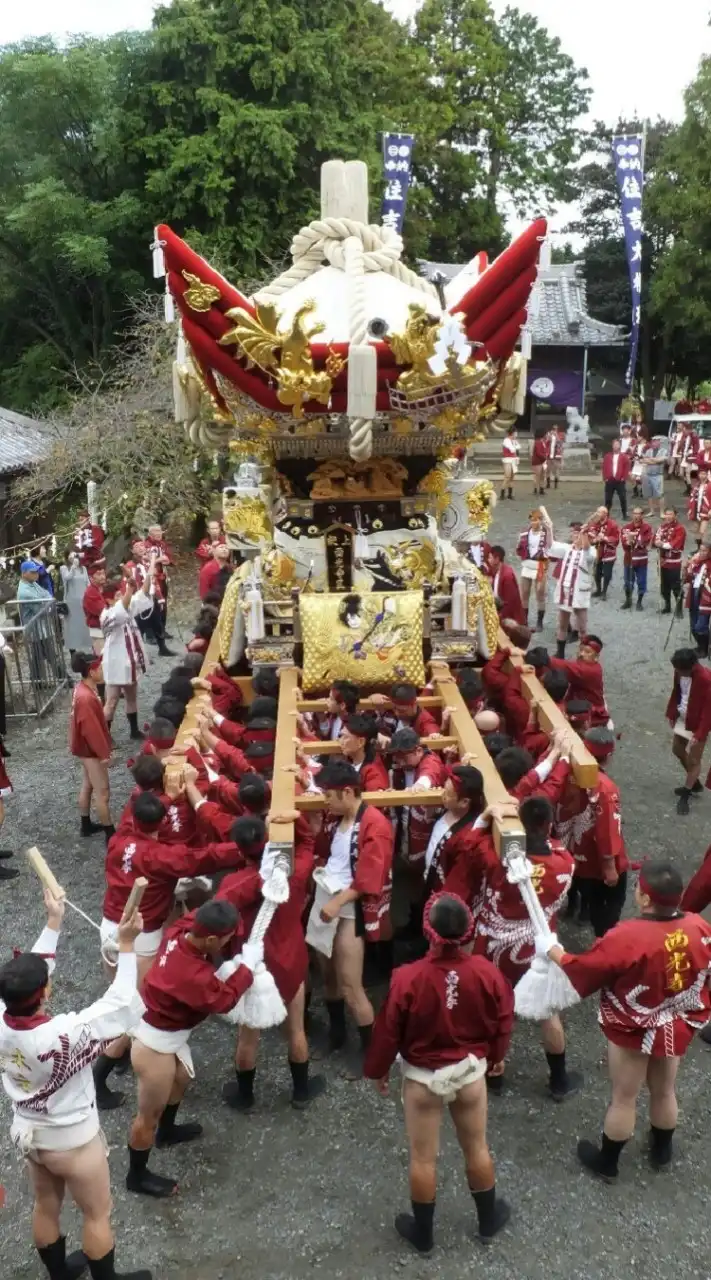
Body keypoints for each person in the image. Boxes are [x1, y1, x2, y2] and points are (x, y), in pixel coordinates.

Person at [0, 888, 149, 1280]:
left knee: (45, 1204)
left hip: (29, 1130)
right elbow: (120, 1003)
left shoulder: (1, 1016)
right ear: (44, 992)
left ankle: (59, 1274)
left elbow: (32, 970)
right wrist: (129, 946)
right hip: (72, 1138)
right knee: (97, 1213)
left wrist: (53, 922)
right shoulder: (64, 1034)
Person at [541, 861, 711, 1182]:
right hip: (675, 1021)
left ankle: (608, 1162)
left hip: (633, 1027)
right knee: (664, 1090)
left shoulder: (627, 935)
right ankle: (661, 1150)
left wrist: (554, 952)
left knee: (624, 1097)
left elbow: (586, 969)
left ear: (645, 898)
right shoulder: (699, 928)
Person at [363, 893, 514, 1252]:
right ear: (467, 931)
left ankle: (424, 1234)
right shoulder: (486, 972)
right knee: (477, 1147)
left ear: (428, 931)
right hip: (469, 1074)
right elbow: (503, 1020)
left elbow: (387, 1032)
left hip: (422, 1079)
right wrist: (496, 1056)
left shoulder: (406, 978)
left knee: (423, 1157)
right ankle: (487, 1219)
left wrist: (377, 1069)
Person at [446, 797, 580, 1100]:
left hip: (493, 945)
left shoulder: (495, 860)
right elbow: (554, 845)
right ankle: (558, 1079)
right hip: (539, 947)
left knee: (491, 1010)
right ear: (548, 826)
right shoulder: (565, 863)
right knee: (549, 1014)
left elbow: (466, 845)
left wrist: (485, 816)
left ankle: (494, 1074)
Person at [127, 899, 260, 1198]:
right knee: (147, 1116)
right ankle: (136, 1175)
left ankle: (168, 1131)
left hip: (167, 1033)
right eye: (226, 938)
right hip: (154, 1044)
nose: (229, 942)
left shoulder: (179, 931)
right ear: (212, 939)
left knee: (182, 1080)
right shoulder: (192, 973)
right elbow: (224, 1000)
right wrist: (247, 968)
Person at [217, 813, 326, 1112]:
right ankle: (301, 1091)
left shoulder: (231, 883)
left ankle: (245, 1096)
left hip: (252, 967)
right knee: (296, 1030)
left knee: (248, 1036)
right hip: (290, 961)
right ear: (265, 843)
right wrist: (296, 820)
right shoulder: (293, 874)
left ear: (239, 849)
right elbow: (307, 844)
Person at [307, 759, 394, 1060]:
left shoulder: (376, 825)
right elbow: (327, 851)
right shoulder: (337, 817)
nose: (325, 801)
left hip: (348, 905)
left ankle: (370, 1052)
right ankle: (337, 1033)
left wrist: (338, 901)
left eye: (328, 795)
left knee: (350, 985)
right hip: (326, 894)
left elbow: (370, 878)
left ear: (347, 792)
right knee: (328, 975)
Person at [555, 727, 628, 937]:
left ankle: (575, 910)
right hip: (596, 860)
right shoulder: (605, 788)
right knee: (608, 905)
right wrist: (610, 866)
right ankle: (604, 942)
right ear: (609, 755)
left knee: (586, 890)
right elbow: (607, 829)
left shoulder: (565, 771)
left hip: (572, 849)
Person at [100, 576, 153, 740]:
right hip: (115, 663)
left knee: (131, 696)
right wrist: (129, 590)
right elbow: (121, 609)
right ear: (108, 599)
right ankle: (104, 737)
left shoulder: (127, 608)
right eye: (116, 595)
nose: (120, 597)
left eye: (120, 594)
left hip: (130, 662)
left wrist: (149, 571)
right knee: (112, 701)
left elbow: (142, 594)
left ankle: (134, 730)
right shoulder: (107, 614)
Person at [69, 652, 114, 843]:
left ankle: (86, 824)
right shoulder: (86, 698)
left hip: (84, 748)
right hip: (90, 750)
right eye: (100, 668)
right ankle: (110, 834)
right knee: (102, 791)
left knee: (88, 785)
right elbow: (91, 731)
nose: (103, 671)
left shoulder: (83, 689)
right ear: (91, 671)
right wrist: (104, 754)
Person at [665, 647, 711, 815]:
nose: (676, 672)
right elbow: (676, 692)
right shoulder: (679, 672)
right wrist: (671, 712)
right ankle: (694, 782)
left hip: (698, 722)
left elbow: (708, 710)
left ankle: (687, 791)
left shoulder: (706, 679)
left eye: (679, 669)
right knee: (677, 749)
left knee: (694, 759)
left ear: (691, 667)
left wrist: (699, 734)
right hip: (684, 716)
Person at [531, 634, 611, 728]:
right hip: (579, 704)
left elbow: (565, 667)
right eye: (580, 650)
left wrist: (546, 660)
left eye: (587, 652)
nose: (581, 654)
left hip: (590, 714)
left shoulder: (589, 671)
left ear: (596, 657)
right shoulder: (587, 664)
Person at [547, 525, 597, 656]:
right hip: (565, 590)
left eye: (578, 533)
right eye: (574, 533)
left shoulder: (592, 551)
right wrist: (549, 529)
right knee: (562, 625)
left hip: (580, 593)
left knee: (583, 629)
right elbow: (551, 545)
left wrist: (584, 534)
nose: (575, 536)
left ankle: (584, 656)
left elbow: (586, 550)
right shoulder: (567, 548)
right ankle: (560, 653)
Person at [515, 507, 552, 632]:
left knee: (540, 593)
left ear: (541, 521)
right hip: (527, 563)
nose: (533, 522)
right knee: (524, 592)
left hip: (541, 564)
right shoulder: (525, 532)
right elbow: (519, 547)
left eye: (536, 520)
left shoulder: (546, 533)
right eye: (532, 520)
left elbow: (550, 546)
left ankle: (539, 622)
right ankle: (524, 620)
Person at [654, 507, 686, 616]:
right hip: (662, 561)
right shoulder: (662, 527)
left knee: (676, 586)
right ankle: (667, 606)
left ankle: (679, 609)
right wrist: (657, 542)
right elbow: (656, 538)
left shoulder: (680, 528)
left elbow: (674, 544)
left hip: (674, 562)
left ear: (675, 515)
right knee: (664, 586)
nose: (668, 516)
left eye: (670, 514)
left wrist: (662, 544)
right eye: (666, 514)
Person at [620, 507, 653, 611]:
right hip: (629, 558)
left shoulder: (647, 527)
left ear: (642, 515)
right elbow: (624, 542)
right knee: (628, 580)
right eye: (634, 513)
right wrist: (628, 541)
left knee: (641, 581)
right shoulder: (626, 527)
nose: (636, 516)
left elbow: (646, 541)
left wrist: (635, 539)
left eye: (639, 514)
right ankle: (628, 600)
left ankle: (639, 601)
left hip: (641, 559)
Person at [60, 550, 91, 654]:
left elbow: (88, 583)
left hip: (83, 600)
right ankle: (72, 651)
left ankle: (87, 648)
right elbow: (66, 578)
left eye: (74, 554)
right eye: (70, 554)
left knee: (84, 624)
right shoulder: (64, 568)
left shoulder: (83, 569)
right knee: (72, 626)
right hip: (71, 601)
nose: (73, 556)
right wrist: (73, 567)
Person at [587, 506, 620, 602]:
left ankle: (604, 591)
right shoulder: (594, 524)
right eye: (597, 512)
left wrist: (605, 538)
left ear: (605, 514)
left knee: (607, 573)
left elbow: (616, 539)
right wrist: (595, 540)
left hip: (608, 552)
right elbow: (590, 536)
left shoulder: (612, 525)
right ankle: (598, 589)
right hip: (597, 552)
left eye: (599, 512)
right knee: (596, 573)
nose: (597, 514)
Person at [486, 545, 524, 625]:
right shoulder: (496, 570)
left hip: (510, 620)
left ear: (496, 559)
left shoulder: (507, 576)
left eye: (490, 558)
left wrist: (498, 617)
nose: (488, 560)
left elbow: (509, 603)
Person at [684, 546, 711, 656]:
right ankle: (702, 646)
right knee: (694, 625)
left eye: (705, 551)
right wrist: (686, 567)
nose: (702, 553)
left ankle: (705, 648)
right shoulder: (697, 562)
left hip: (705, 598)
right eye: (700, 550)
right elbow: (687, 578)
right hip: (694, 595)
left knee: (701, 626)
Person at [601, 439, 631, 519]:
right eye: (614, 444)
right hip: (610, 479)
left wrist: (624, 478)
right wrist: (605, 478)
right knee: (608, 499)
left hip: (619, 480)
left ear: (620, 446)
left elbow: (627, 468)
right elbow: (604, 467)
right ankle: (606, 515)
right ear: (612, 446)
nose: (615, 446)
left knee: (623, 497)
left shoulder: (623, 456)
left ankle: (625, 514)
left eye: (617, 444)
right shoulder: (607, 456)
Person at [639, 434, 665, 517]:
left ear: (659, 443)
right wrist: (654, 461)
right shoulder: (648, 451)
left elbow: (661, 460)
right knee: (649, 494)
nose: (654, 443)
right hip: (648, 474)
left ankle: (662, 512)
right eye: (653, 441)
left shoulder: (663, 450)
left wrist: (650, 460)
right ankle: (651, 511)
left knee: (660, 494)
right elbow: (643, 460)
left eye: (656, 441)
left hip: (658, 474)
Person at [687, 466, 711, 548]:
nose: (702, 476)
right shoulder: (696, 485)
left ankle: (703, 550)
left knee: (702, 531)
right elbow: (691, 498)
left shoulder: (710, 485)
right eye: (701, 474)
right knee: (696, 531)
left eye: (704, 474)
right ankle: (698, 549)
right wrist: (689, 510)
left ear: (707, 475)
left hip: (705, 511)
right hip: (696, 509)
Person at [500, 426, 519, 500]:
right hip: (507, 459)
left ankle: (510, 494)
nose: (517, 434)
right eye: (516, 432)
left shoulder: (514, 440)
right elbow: (512, 449)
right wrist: (515, 446)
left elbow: (518, 448)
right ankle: (502, 494)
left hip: (513, 459)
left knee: (512, 478)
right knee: (507, 477)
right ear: (513, 433)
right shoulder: (506, 440)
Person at [545, 425, 564, 489]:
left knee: (556, 471)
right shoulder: (548, 435)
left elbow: (561, 445)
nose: (554, 430)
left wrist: (557, 437)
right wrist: (548, 438)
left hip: (556, 457)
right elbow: (545, 443)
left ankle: (556, 484)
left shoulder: (560, 436)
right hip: (549, 456)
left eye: (555, 429)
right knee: (548, 470)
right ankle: (548, 484)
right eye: (553, 429)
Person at [530, 427, 548, 495]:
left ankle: (541, 489)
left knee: (542, 476)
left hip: (542, 461)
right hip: (538, 461)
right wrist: (544, 457)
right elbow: (538, 452)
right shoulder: (537, 442)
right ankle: (535, 489)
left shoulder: (542, 442)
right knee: (537, 476)